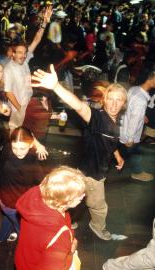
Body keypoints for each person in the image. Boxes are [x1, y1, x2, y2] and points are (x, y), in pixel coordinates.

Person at [31, 64, 127, 241]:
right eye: (111, 99)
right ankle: (98, 227)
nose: (114, 104)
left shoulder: (113, 120)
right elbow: (80, 107)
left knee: (77, 195)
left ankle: (68, 219)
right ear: (104, 100)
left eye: (118, 100)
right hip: (93, 173)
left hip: (91, 167)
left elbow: (109, 141)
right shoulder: (98, 118)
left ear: (123, 103)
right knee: (98, 206)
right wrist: (56, 87)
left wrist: (117, 155)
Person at [15, 166, 86, 270]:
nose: (83, 196)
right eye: (79, 195)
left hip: (25, 260)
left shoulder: (37, 198)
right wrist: (71, 249)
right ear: (65, 201)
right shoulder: (58, 236)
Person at [4, 6, 52, 131]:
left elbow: (36, 40)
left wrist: (44, 23)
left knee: (26, 136)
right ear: (13, 54)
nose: (23, 55)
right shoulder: (9, 69)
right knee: (15, 136)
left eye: (24, 52)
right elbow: (8, 92)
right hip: (18, 109)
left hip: (27, 105)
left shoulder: (24, 61)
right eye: (19, 52)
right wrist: (20, 109)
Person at [0, 127, 44, 242]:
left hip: (5, 200)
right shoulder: (21, 166)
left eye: (22, 148)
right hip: (15, 204)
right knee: (24, 232)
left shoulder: (7, 149)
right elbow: (38, 183)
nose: (18, 152)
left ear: (31, 144)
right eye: (15, 148)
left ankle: (0, 238)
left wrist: (38, 145)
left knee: (9, 218)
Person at [119, 67, 155, 182]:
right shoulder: (141, 99)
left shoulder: (135, 89)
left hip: (124, 127)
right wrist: (130, 138)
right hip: (130, 133)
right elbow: (134, 120)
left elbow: (130, 107)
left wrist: (141, 115)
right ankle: (137, 172)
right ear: (151, 79)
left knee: (126, 151)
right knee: (135, 152)